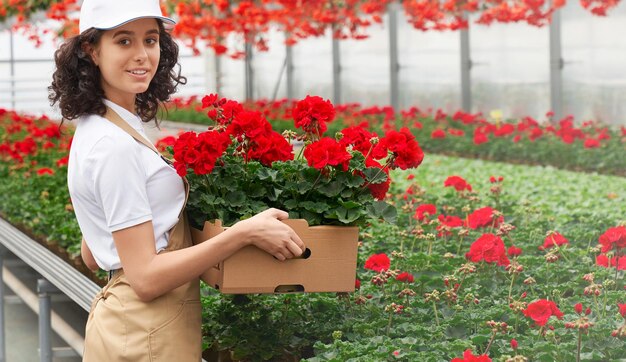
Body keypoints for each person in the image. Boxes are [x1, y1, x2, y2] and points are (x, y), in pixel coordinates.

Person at [48, 0, 305, 360]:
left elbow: (92, 254)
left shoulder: (102, 125)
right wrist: (244, 233)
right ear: (91, 50)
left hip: (133, 326)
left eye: (150, 40)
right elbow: (147, 278)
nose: (142, 55)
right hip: (145, 336)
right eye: (124, 41)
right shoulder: (114, 146)